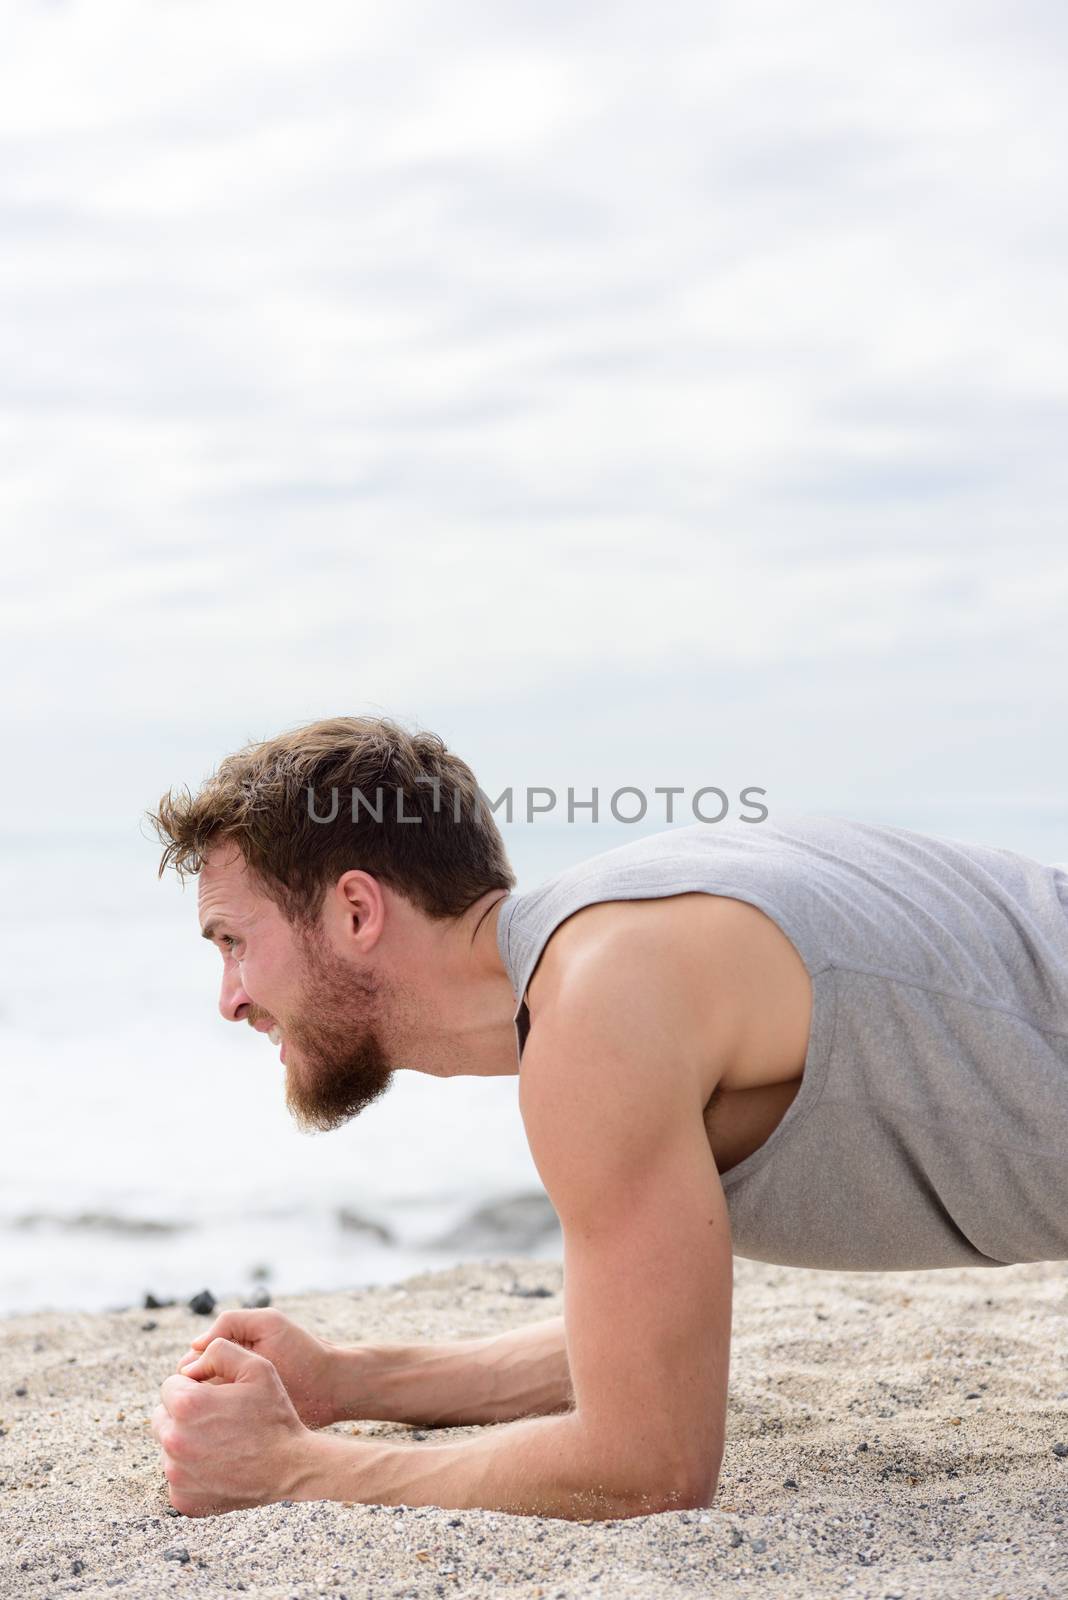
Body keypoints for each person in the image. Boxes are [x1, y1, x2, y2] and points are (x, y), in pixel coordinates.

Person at [147, 716, 1068, 1520]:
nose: (229, 999)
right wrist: (349, 1382)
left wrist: (293, 1469)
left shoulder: (597, 1011)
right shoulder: (611, 940)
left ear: (356, 910)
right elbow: (644, 1340)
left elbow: (648, 1469)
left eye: (234, 942)